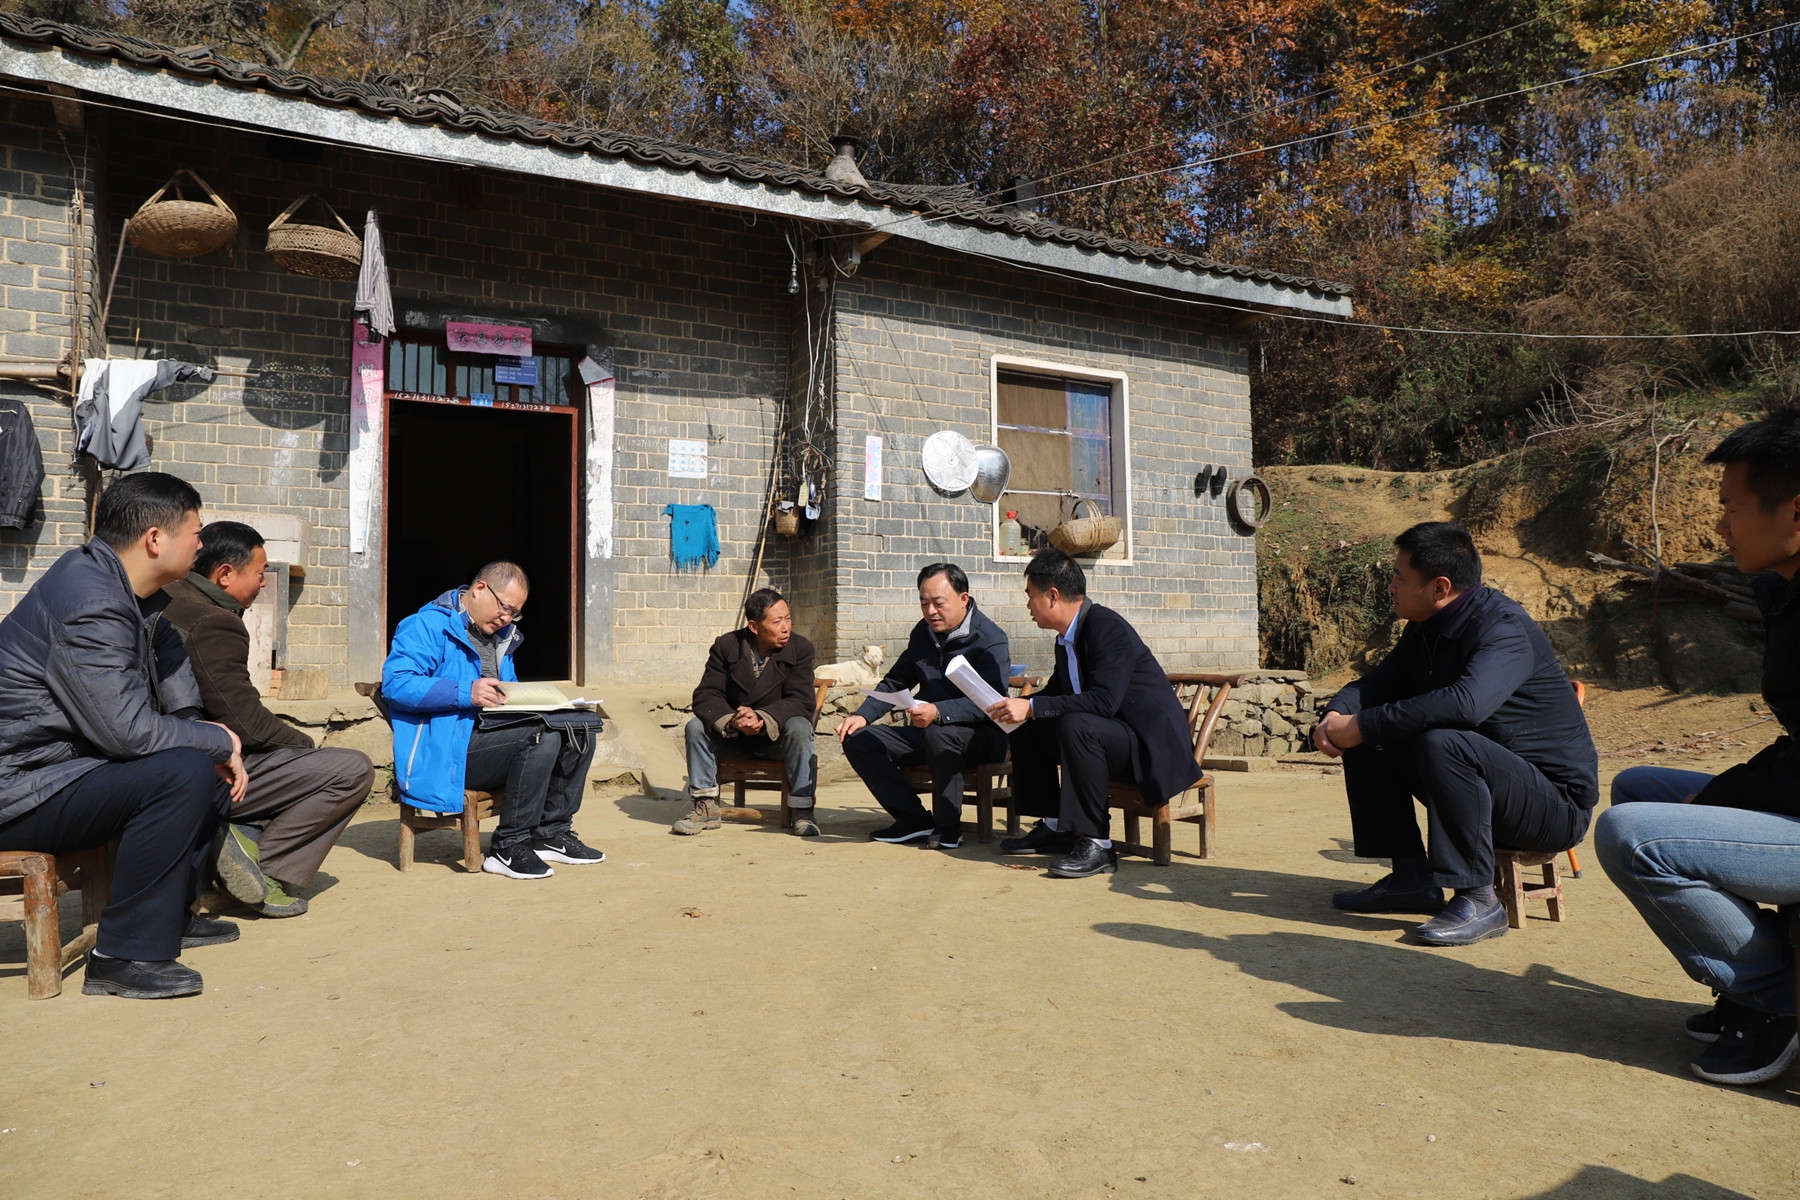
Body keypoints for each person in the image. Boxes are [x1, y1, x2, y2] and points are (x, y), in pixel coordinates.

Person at [1597, 410, 1800, 1087]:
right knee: (1638, 786)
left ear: (1796, 511)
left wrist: (1719, 795)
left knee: (1632, 834)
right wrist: (1717, 793)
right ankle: (1750, 981)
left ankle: (1773, 1001)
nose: (1720, 528)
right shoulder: (1788, 591)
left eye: (1730, 508)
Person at [0, 472, 247, 999]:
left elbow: (157, 684)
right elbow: (128, 734)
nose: (200, 544)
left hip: (49, 772)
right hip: (16, 790)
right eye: (195, 532)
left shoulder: (116, 585)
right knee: (182, 769)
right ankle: (124, 955)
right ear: (155, 539)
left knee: (196, 763)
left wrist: (203, 735)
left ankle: (167, 916)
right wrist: (219, 740)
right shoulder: (95, 602)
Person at [1313, 522, 1597, 947]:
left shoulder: (1502, 628)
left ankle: (1480, 899)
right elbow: (1377, 685)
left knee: (1440, 740)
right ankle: (1411, 879)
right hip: (1484, 788)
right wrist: (1338, 715)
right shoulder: (1425, 628)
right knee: (1371, 735)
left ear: (1440, 587)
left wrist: (1362, 724)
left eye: (1399, 578)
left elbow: (1467, 704)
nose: (1391, 587)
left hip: (1553, 806)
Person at [162, 520, 375, 917]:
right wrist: (304, 746)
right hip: (203, 767)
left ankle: (239, 838)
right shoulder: (214, 621)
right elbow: (243, 721)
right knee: (350, 770)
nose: (264, 582)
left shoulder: (170, 597)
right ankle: (263, 867)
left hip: (177, 753)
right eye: (259, 573)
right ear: (225, 574)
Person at [983, 549, 1200, 878]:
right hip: (1112, 738)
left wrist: (1033, 706)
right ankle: (1056, 827)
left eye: (1030, 596)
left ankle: (1098, 844)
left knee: (1077, 725)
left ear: (1052, 596)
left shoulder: (1106, 627)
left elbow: (1104, 702)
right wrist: (1015, 707)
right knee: (1027, 726)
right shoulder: (1066, 639)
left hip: (1149, 747)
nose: (1027, 605)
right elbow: (1056, 693)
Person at [381, 562, 603, 879]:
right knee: (541, 735)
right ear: (480, 589)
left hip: (489, 739)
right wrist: (466, 692)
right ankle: (509, 847)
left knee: (579, 728)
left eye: (515, 613)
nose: (507, 618)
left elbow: (507, 696)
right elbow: (396, 684)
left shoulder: (502, 637)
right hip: (447, 750)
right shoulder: (425, 626)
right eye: (505, 608)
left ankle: (550, 833)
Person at [838, 563, 1011, 847]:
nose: (931, 611)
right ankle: (914, 819)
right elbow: (896, 681)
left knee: (939, 734)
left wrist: (939, 712)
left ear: (963, 599)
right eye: (924, 603)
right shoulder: (923, 633)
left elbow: (993, 702)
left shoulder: (990, 639)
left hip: (981, 737)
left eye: (938, 603)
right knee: (857, 738)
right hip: (929, 731)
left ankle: (948, 827)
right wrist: (862, 716)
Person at [675, 588, 819, 836]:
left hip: (777, 740)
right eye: (777, 621)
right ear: (754, 626)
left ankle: (802, 811)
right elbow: (707, 694)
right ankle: (705, 806)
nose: (785, 627)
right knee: (695, 727)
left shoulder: (800, 648)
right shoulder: (726, 646)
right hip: (734, 738)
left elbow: (801, 701)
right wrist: (732, 721)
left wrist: (762, 718)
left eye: (788, 618)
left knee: (800, 726)